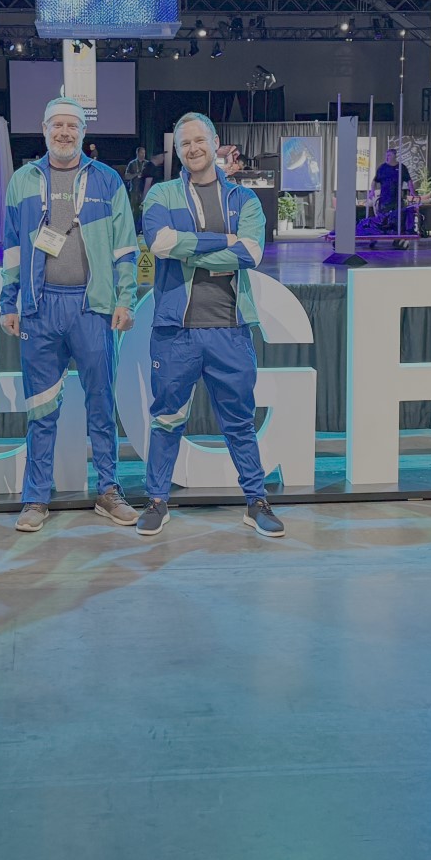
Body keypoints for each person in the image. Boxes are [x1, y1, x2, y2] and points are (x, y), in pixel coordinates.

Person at [137, 112, 284, 540]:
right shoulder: (161, 194)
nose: (193, 149)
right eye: (185, 143)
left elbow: (252, 253)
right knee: (166, 418)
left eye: (200, 140)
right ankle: (157, 500)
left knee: (238, 420)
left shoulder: (244, 200)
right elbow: (158, 244)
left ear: (215, 143)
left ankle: (255, 501)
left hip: (230, 328)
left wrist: (191, 249)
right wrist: (225, 242)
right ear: (178, 150)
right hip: (175, 331)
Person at [0, 97, 141, 532]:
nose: (64, 132)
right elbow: (11, 248)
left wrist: (125, 298)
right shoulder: (23, 180)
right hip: (40, 309)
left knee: (102, 401)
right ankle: (36, 498)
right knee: (41, 408)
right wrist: (9, 300)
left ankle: (108, 490)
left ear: (83, 133)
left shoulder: (107, 180)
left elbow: (125, 247)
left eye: (72, 126)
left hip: (92, 307)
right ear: (44, 129)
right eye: (57, 125)